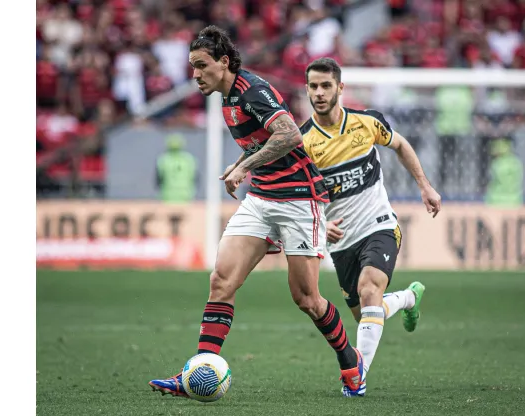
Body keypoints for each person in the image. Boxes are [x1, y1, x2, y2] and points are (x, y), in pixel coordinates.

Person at [148, 26, 365, 398]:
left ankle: (351, 362)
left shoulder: (253, 92)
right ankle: (199, 371)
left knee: (307, 299)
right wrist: (241, 164)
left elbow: (289, 135)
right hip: (262, 198)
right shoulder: (226, 97)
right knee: (221, 280)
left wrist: (245, 167)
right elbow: (261, 141)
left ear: (224, 62)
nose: (195, 75)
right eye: (192, 67)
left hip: (299, 198)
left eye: (201, 66)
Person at [299, 58, 442, 394]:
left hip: (379, 225)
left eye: (325, 86)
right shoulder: (303, 142)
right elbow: (298, 195)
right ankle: (407, 298)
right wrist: (318, 223)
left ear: (340, 88)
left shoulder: (366, 123)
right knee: (367, 312)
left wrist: (424, 185)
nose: (319, 93)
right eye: (313, 86)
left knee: (369, 289)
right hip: (341, 242)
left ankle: (356, 379)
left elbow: (401, 145)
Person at [155, 134, 197, 203]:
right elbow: (195, 179)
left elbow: (159, 180)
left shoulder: (163, 159)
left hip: (167, 197)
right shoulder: (189, 159)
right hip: (186, 197)